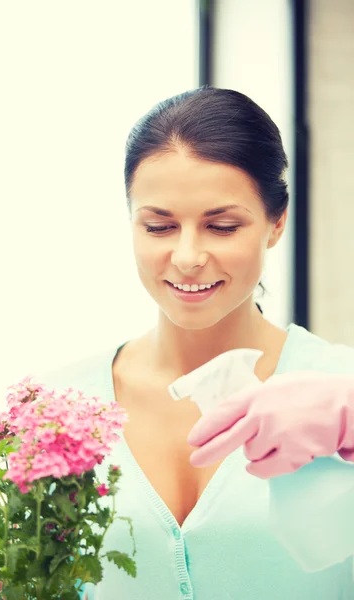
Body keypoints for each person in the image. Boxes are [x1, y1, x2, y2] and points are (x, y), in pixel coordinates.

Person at [36, 86, 354, 600]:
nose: (187, 256)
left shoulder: (341, 389)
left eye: (222, 226)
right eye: (159, 226)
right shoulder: (55, 410)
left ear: (277, 223)